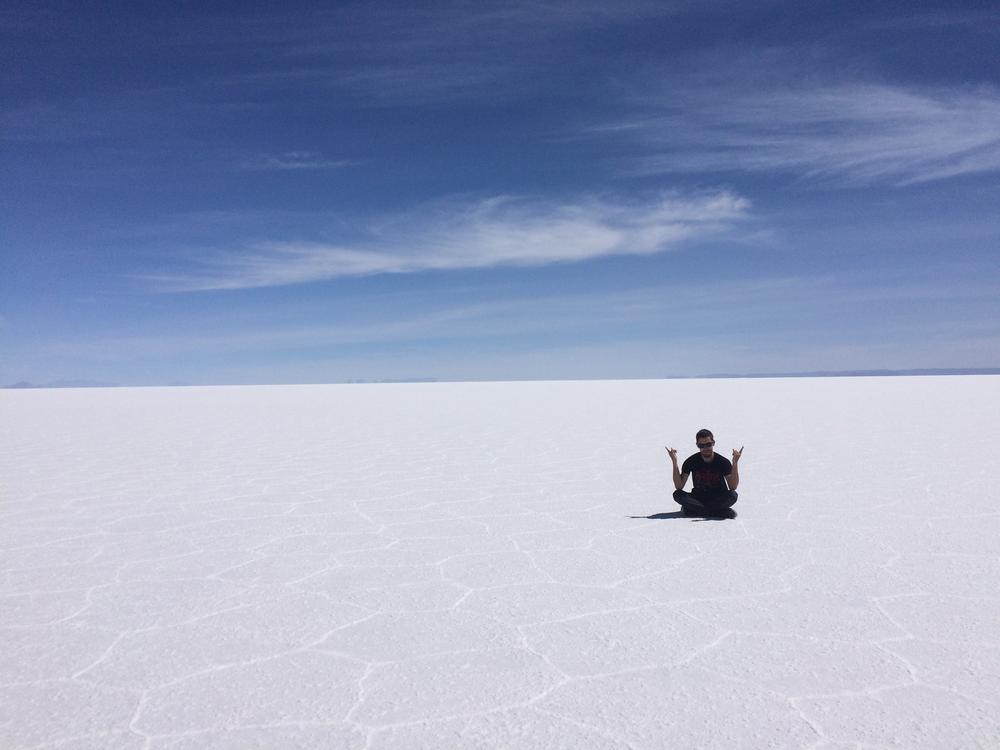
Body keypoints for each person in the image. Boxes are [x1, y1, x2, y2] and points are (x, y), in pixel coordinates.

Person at [666, 429, 743, 517]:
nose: (705, 448)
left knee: (733, 495)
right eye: (701, 445)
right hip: (698, 498)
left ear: (713, 443)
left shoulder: (723, 462)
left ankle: (695, 510)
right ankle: (718, 511)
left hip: (718, 498)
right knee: (677, 494)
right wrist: (674, 462)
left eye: (708, 444)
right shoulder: (691, 461)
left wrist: (735, 463)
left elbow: (733, 486)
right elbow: (679, 486)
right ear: (697, 445)